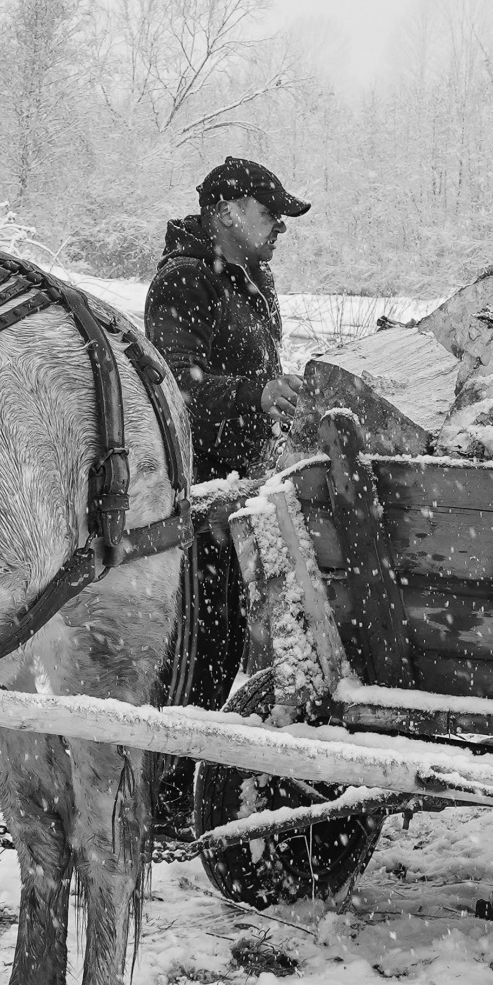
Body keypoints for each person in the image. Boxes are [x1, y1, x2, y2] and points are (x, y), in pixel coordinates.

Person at [144, 155, 313, 721]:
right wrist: (254, 395)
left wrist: (282, 398)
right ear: (225, 213)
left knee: (227, 644)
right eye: (270, 213)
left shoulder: (252, 280)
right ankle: (163, 789)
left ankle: (188, 780)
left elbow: (253, 374)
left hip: (240, 495)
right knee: (196, 650)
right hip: (196, 502)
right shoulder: (185, 280)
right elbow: (174, 387)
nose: (280, 226)